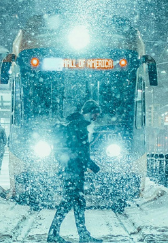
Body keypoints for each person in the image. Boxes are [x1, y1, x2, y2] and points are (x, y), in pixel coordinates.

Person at [47, 101, 103, 243]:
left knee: (78, 202)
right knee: (68, 202)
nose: (96, 116)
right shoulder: (78, 126)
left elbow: (78, 151)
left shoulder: (76, 125)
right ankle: (53, 235)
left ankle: (82, 235)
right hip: (73, 171)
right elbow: (80, 152)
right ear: (89, 112)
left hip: (73, 170)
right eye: (95, 113)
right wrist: (93, 167)